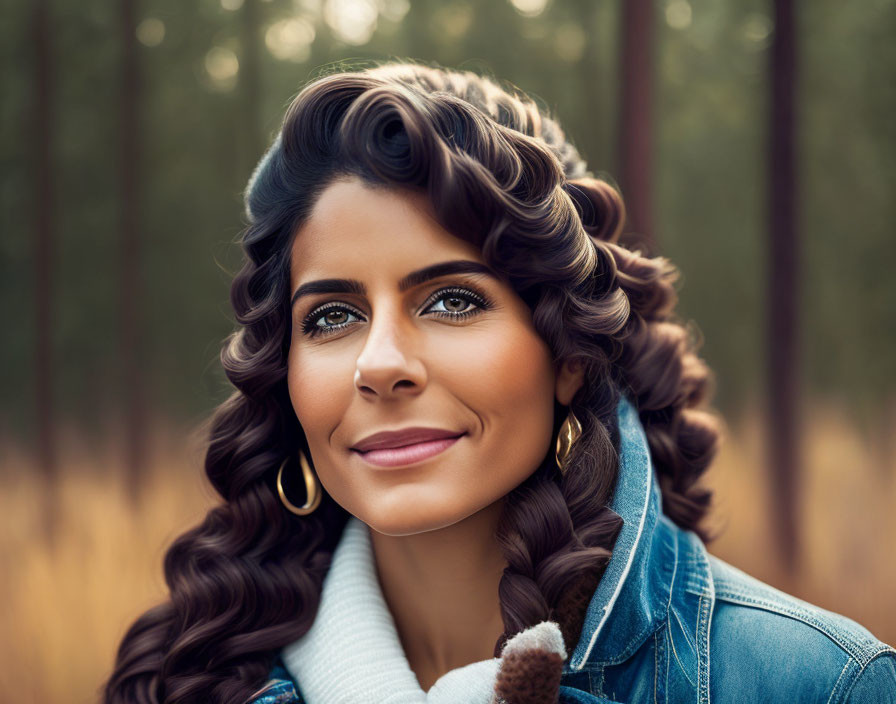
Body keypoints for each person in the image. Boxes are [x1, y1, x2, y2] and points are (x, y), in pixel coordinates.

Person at [102, 62, 896, 704]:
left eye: (452, 300)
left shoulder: (819, 683)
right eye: (333, 316)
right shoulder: (181, 677)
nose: (379, 363)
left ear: (570, 355)